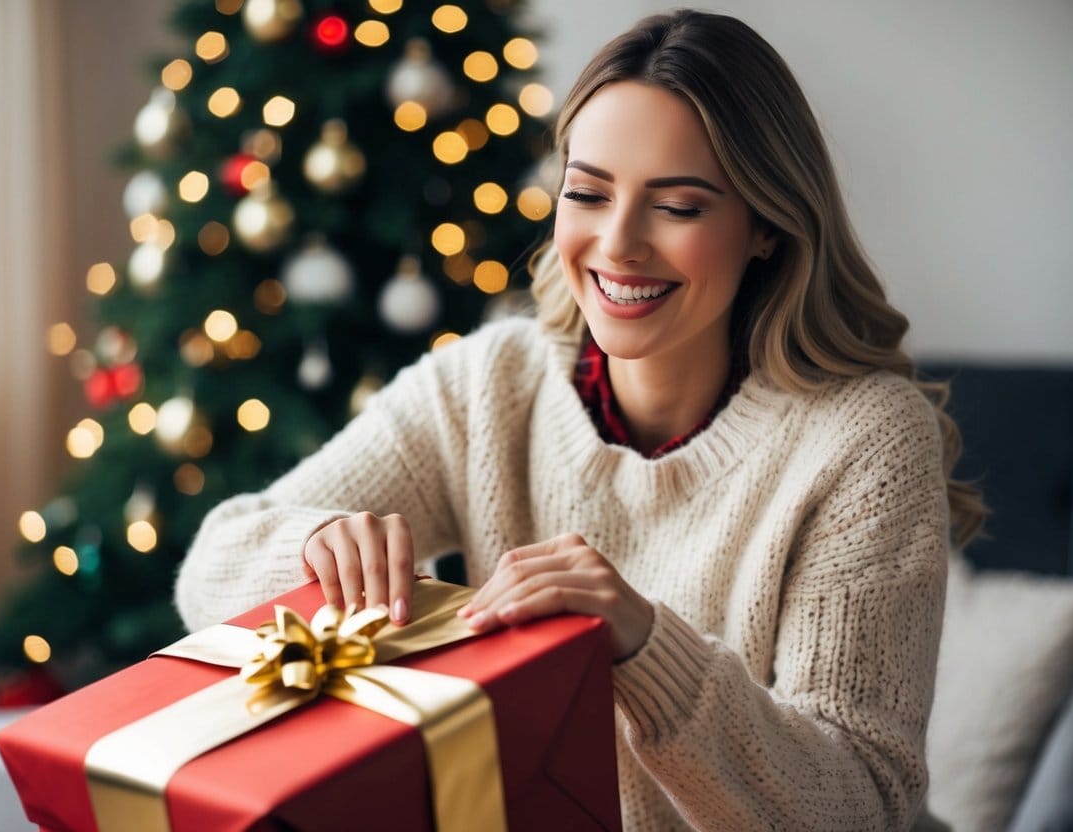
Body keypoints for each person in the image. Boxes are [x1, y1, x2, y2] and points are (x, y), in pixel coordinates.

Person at [176, 9, 984, 830]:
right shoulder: (489, 383)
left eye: (677, 207)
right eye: (588, 192)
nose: (617, 243)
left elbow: (863, 804)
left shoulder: (864, 439)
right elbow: (209, 570)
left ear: (766, 227)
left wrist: (641, 644)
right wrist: (313, 549)